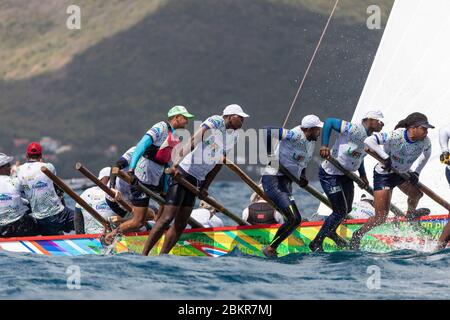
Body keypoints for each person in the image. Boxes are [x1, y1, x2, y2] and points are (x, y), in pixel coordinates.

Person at [142, 104, 249, 255]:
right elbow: (194, 139)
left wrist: (205, 187)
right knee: (167, 218)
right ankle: (144, 254)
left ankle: (162, 256)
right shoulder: (216, 121)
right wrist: (175, 165)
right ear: (229, 116)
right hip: (183, 172)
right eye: (240, 117)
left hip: (198, 179)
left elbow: (219, 162)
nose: (243, 121)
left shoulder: (235, 136)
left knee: (180, 223)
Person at [104, 106, 194, 243]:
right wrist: (131, 170)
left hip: (155, 179)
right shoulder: (161, 127)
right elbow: (141, 145)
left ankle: (156, 233)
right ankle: (111, 236)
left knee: (168, 203)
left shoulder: (176, 136)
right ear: (176, 117)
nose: (187, 122)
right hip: (142, 178)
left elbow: (166, 164)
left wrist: (164, 190)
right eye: (185, 118)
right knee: (138, 222)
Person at [350, 112, 434, 250]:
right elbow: (368, 141)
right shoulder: (396, 135)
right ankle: (357, 234)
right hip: (385, 175)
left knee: (416, 195)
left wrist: (417, 172)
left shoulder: (425, 141)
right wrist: (385, 157)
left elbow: (427, 155)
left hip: (402, 174)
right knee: (381, 216)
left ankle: (410, 217)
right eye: (424, 128)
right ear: (413, 128)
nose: (426, 131)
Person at [309, 110, 384, 252]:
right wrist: (324, 145)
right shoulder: (354, 129)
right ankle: (316, 242)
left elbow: (358, 158)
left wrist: (363, 176)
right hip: (330, 174)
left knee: (347, 209)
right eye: (379, 121)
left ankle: (331, 231)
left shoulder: (371, 140)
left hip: (346, 175)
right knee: (339, 211)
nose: (382, 124)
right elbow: (330, 121)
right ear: (369, 120)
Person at [260, 114, 323, 257]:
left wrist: (303, 176)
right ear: (309, 129)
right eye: (317, 129)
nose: (319, 132)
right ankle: (270, 248)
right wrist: (270, 156)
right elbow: (267, 130)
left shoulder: (311, 142)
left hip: (286, 182)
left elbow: (303, 162)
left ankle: (275, 242)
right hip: (273, 179)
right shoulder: (294, 134)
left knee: (293, 219)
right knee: (295, 219)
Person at [16, 142, 75, 235]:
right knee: (82, 220)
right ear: (41, 155)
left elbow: (18, 191)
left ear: (27, 155)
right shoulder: (48, 167)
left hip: (39, 219)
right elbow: (56, 186)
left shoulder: (19, 170)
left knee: (51, 229)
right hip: (59, 214)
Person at [0, 153, 40, 237]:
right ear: (2, 168)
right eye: (8, 165)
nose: (10, 168)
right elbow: (29, 191)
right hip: (18, 227)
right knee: (42, 222)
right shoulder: (15, 181)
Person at [74, 167, 119, 234]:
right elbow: (77, 217)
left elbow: (77, 218)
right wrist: (79, 236)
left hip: (106, 235)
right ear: (101, 179)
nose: (112, 181)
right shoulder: (86, 193)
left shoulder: (117, 193)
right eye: (110, 178)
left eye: (114, 179)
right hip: (97, 236)